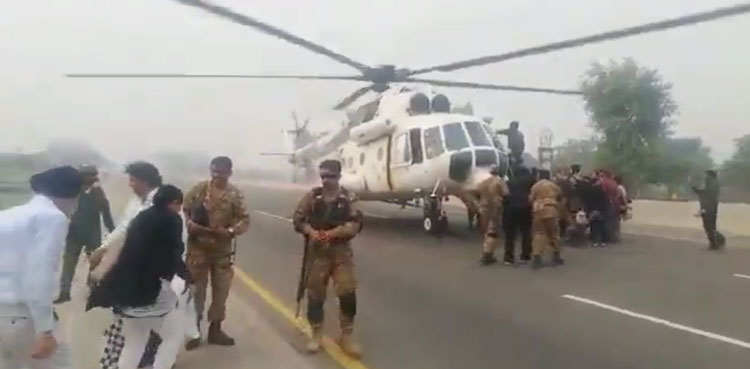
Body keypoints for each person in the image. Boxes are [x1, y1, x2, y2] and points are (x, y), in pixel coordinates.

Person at [87, 185, 188, 369]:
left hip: (126, 292)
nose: (180, 210)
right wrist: (184, 277)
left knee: (134, 342)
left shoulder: (142, 216)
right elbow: (174, 253)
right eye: (179, 205)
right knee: (172, 336)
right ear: (174, 202)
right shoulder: (171, 219)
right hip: (153, 291)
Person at [0, 166, 82, 369]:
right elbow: (40, 274)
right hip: (23, 315)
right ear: (69, 195)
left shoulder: (9, 215)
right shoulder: (53, 218)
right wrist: (45, 330)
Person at [87, 161, 164, 369]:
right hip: (136, 265)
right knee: (136, 321)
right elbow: (124, 226)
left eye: (132, 180)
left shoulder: (160, 204)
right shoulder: (137, 202)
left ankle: (150, 358)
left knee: (145, 322)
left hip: (153, 270)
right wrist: (103, 248)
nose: (129, 184)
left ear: (144, 181)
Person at [292, 159, 364, 358]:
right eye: (323, 176)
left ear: (339, 176)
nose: (326, 180)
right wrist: (311, 232)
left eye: (330, 176)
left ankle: (346, 336)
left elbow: (355, 224)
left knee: (347, 292)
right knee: (315, 295)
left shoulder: (348, 198)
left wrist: (333, 233)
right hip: (317, 253)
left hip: (340, 252)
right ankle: (317, 334)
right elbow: (298, 219)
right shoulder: (313, 197)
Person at [184, 156, 250, 349]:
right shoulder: (199, 189)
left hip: (222, 250)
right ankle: (193, 332)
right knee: (196, 293)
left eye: (220, 172)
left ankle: (215, 329)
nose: (216, 175)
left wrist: (230, 231)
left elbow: (244, 220)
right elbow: (183, 209)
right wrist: (189, 224)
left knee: (221, 292)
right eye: (213, 171)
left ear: (229, 173)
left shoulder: (235, 195)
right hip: (198, 250)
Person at [54, 165, 115, 304]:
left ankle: (92, 290)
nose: (88, 178)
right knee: (69, 264)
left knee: (94, 263)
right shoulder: (73, 192)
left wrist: (113, 232)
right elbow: (62, 211)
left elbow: (106, 213)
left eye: (90, 175)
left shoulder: (98, 192)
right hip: (73, 233)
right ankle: (64, 293)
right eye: (85, 175)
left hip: (92, 234)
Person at [528, 169, 564, 269]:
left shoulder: (535, 186)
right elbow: (560, 196)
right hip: (551, 210)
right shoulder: (552, 185)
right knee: (554, 234)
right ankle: (556, 255)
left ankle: (537, 257)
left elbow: (530, 199)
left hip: (538, 211)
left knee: (539, 234)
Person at [476, 165, 509, 266]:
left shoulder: (484, 182)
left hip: (483, 207)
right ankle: (487, 254)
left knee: (486, 231)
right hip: (495, 208)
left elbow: (477, 192)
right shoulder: (499, 182)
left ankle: (486, 252)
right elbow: (506, 193)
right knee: (493, 232)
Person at [502, 166, 534, 265]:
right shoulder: (531, 181)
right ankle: (525, 255)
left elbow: (505, 195)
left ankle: (508, 257)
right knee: (526, 232)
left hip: (511, 209)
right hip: (526, 209)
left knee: (510, 234)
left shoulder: (510, 182)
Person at [692, 170, 725, 250]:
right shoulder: (712, 183)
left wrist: (697, 191)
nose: (705, 176)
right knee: (709, 226)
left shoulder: (711, 183)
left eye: (706, 175)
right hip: (709, 207)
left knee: (709, 226)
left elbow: (708, 194)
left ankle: (715, 243)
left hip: (709, 208)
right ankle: (717, 241)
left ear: (710, 175)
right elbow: (707, 194)